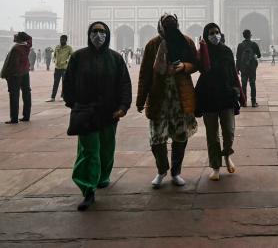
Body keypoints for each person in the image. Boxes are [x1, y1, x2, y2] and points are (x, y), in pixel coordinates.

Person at [63, 21, 131, 211]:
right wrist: (73, 103)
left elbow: (124, 83)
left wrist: (123, 106)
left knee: (106, 148)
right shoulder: (78, 57)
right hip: (86, 111)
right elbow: (68, 82)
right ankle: (87, 188)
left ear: (108, 35)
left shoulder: (115, 58)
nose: (98, 35)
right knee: (88, 151)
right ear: (89, 33)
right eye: (95, 31)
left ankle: (102, 178)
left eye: (102, 31)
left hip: (109, 111)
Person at [136, 13, 198, 189]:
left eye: (172, 24)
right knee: (157, 138)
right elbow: (145, 74)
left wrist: (184, 66)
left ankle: (176, 172)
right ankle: (162, 170)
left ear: (177, 24)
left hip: (179, 97)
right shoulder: (153, 45)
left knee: (180, 136)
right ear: (160, 26)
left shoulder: (185, 41)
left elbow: (195, 63)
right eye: (166, 24)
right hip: (159, 97)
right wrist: (141, 99)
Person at [195, 23, 245, 181]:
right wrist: (202, 50)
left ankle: (227, 155)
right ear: (205, 35)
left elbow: (233, 74)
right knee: (212, 135)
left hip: (226, 96)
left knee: (229, 132)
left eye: (217, 32)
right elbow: (199, 68)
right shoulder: (203, 52)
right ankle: (215, 166)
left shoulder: (226, 51)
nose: (215, 35)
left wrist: (240, 93)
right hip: (208, 97)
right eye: (211, 33)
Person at [0, 32, 33, 124]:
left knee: (14, 96)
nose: (14, 35)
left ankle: (14, 118)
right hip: (25, 73)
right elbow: (30, 38)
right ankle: (26, 116)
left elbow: (13, 64)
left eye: (17, 35)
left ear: (19, 38)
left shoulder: (16, 48)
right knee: (26, 93)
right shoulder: (26, 46)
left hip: (16, 75)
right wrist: (23, 34)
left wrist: (7, 75)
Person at [236, 29, 261, 107]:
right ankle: (253, 102)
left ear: (243, 36)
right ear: (250, 35)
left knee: (243, 85)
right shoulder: (254, 44)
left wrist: (237, 68)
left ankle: (244, 102)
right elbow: (259, 55)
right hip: (252, 67)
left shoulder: (240, 45)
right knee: (252, 84)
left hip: (243, 68)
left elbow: (238, 57)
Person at [46, 35, 73, 102]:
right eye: (61, 39)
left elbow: (72, 56)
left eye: (63, 40)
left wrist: (67, 61)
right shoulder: (57, 47)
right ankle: (52, 97)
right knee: (55, 83)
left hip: (65, 68)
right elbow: (54, 55)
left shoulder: (69, 48)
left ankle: (62, 96)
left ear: (66, 40)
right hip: (57, 68)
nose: (61, 41)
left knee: (64, 83)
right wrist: (55, 60)